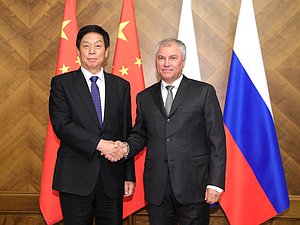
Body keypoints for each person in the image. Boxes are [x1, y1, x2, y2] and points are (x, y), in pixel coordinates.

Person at [121, 38, 226, 225]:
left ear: (183, 62)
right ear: (156, 62)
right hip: (157, 187)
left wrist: (215, 183)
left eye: (172, 58)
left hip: (194, 184)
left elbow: (216, 141)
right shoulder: (144, 97)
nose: (166, 63)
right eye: (161, 58)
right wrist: (125, 148)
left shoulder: (203, 92)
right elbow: (140, 134)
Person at [49, 25, 134, 225]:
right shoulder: (62, 83)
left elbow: (126, 131)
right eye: (86, 46)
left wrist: (129, 175)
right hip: (74, 177)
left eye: (98, 46)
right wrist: (100, 144)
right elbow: (62, 125)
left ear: (106, 51)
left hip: (112, 178)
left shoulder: (121, 86)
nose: (92, 51)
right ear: (78, 50)